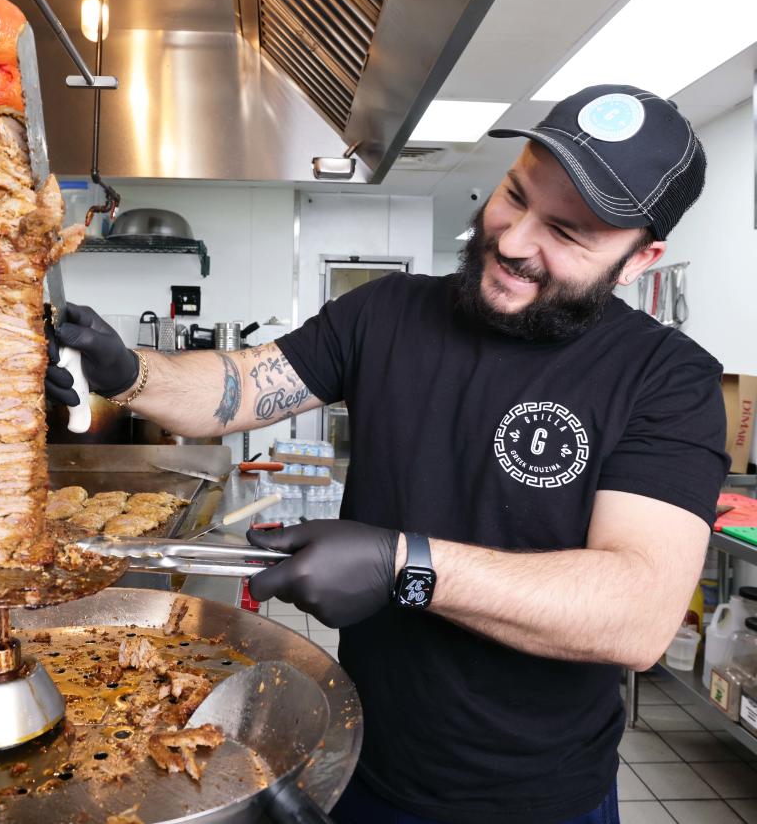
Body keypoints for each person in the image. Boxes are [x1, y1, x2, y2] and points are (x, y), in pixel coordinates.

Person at [46, 85, 729, 824]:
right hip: (365, 759)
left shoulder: (668, 378)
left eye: (565, 231)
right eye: (515, 194)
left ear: (640, 258)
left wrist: (403, 566)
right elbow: (243, 386)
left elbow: (639, 612)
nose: (513, 239)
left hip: (540, 797)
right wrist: (129, 372)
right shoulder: (388, 312)